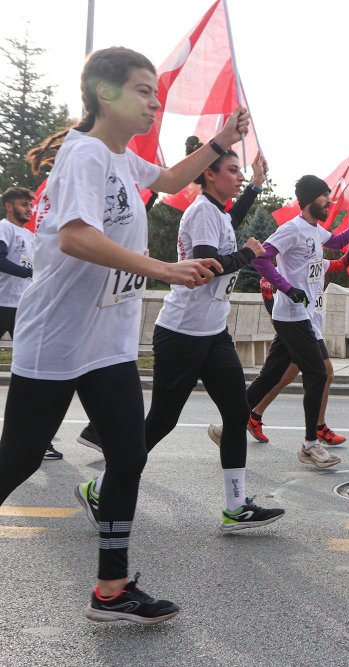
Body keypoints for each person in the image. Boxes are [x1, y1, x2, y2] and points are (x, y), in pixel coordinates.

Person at [0, 46, 246, 624]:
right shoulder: (84, 155)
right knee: (19, 459)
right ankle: (111, 585)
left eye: (156, 94)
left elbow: (170, 178)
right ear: (104, 94)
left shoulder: (122, 159)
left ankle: (111, 589)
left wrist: (221, 138)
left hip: (105, 340)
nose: (153, 104)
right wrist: (162, 267)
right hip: (57, 336)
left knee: (129, 452)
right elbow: (76, 238)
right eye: (142, 91)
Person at [74, 141, 284, 534]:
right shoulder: (203, 212)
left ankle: (236, 506)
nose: (238, 177)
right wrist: (248, 254)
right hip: (183, 334)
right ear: (209, 173)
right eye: (233, 171)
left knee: (237, 414)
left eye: (240, 173)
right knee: (161, 421)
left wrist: (256, 185)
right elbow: (207, 266)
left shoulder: (217, 214)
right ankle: (100, 489)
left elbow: (230, 224)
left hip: (212, 332)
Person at [247, 176, 349, 468]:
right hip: (292, 314)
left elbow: (340, 243)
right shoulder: (291, 229)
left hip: (303, 316)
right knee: (317, 373)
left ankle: (230, 422)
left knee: (270, 376)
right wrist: (287, 287)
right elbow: (260, 259)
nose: (329, 202)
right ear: (309, 199)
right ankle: (309, 445)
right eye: (324, 197)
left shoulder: (316, 231)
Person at [245, 233, 349, 446]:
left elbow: (343, 263)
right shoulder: (291, 268)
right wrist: (270, 299)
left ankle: (253, 416)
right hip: (299, 325)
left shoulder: (320, 263)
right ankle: (317, 430)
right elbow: (274, 299)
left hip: (312, 325)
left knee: (285, 376)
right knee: (324, 373)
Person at [0, 187, 61, 461]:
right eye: (24, 204)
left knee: (38, 370)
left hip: (25, 307)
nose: (29, 208)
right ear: (9, 206)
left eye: (30, 205)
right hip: (2, 304)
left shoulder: (32, 235)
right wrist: (30, 272)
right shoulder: (5, 229)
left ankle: (38, 441)